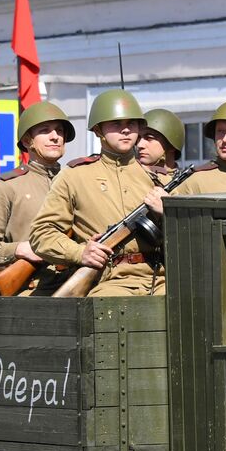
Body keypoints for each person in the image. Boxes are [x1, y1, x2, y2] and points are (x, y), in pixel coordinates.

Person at [30, 90, 167, 297]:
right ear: (98, 130)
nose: (126, 130)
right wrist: (80, 252)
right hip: (108, 281)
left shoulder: (158, 180)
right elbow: (42, 233)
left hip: (160, 277)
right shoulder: (75, 176)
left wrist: (168, 213)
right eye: (116, 124)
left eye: (132, 124)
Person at [0, 100, 73, 287]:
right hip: (33, 291)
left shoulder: (76, 180)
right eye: (44, 130)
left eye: (60, 130)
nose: (55, 136)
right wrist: (19, 249)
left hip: (78, 285)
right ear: (26, 141)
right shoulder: (7, 186)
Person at [137, 108, 184, 180]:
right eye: (139, 138)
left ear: (171, 146)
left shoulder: (187, 183)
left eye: (149, 138)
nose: (139, 145)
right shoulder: (133, 180)